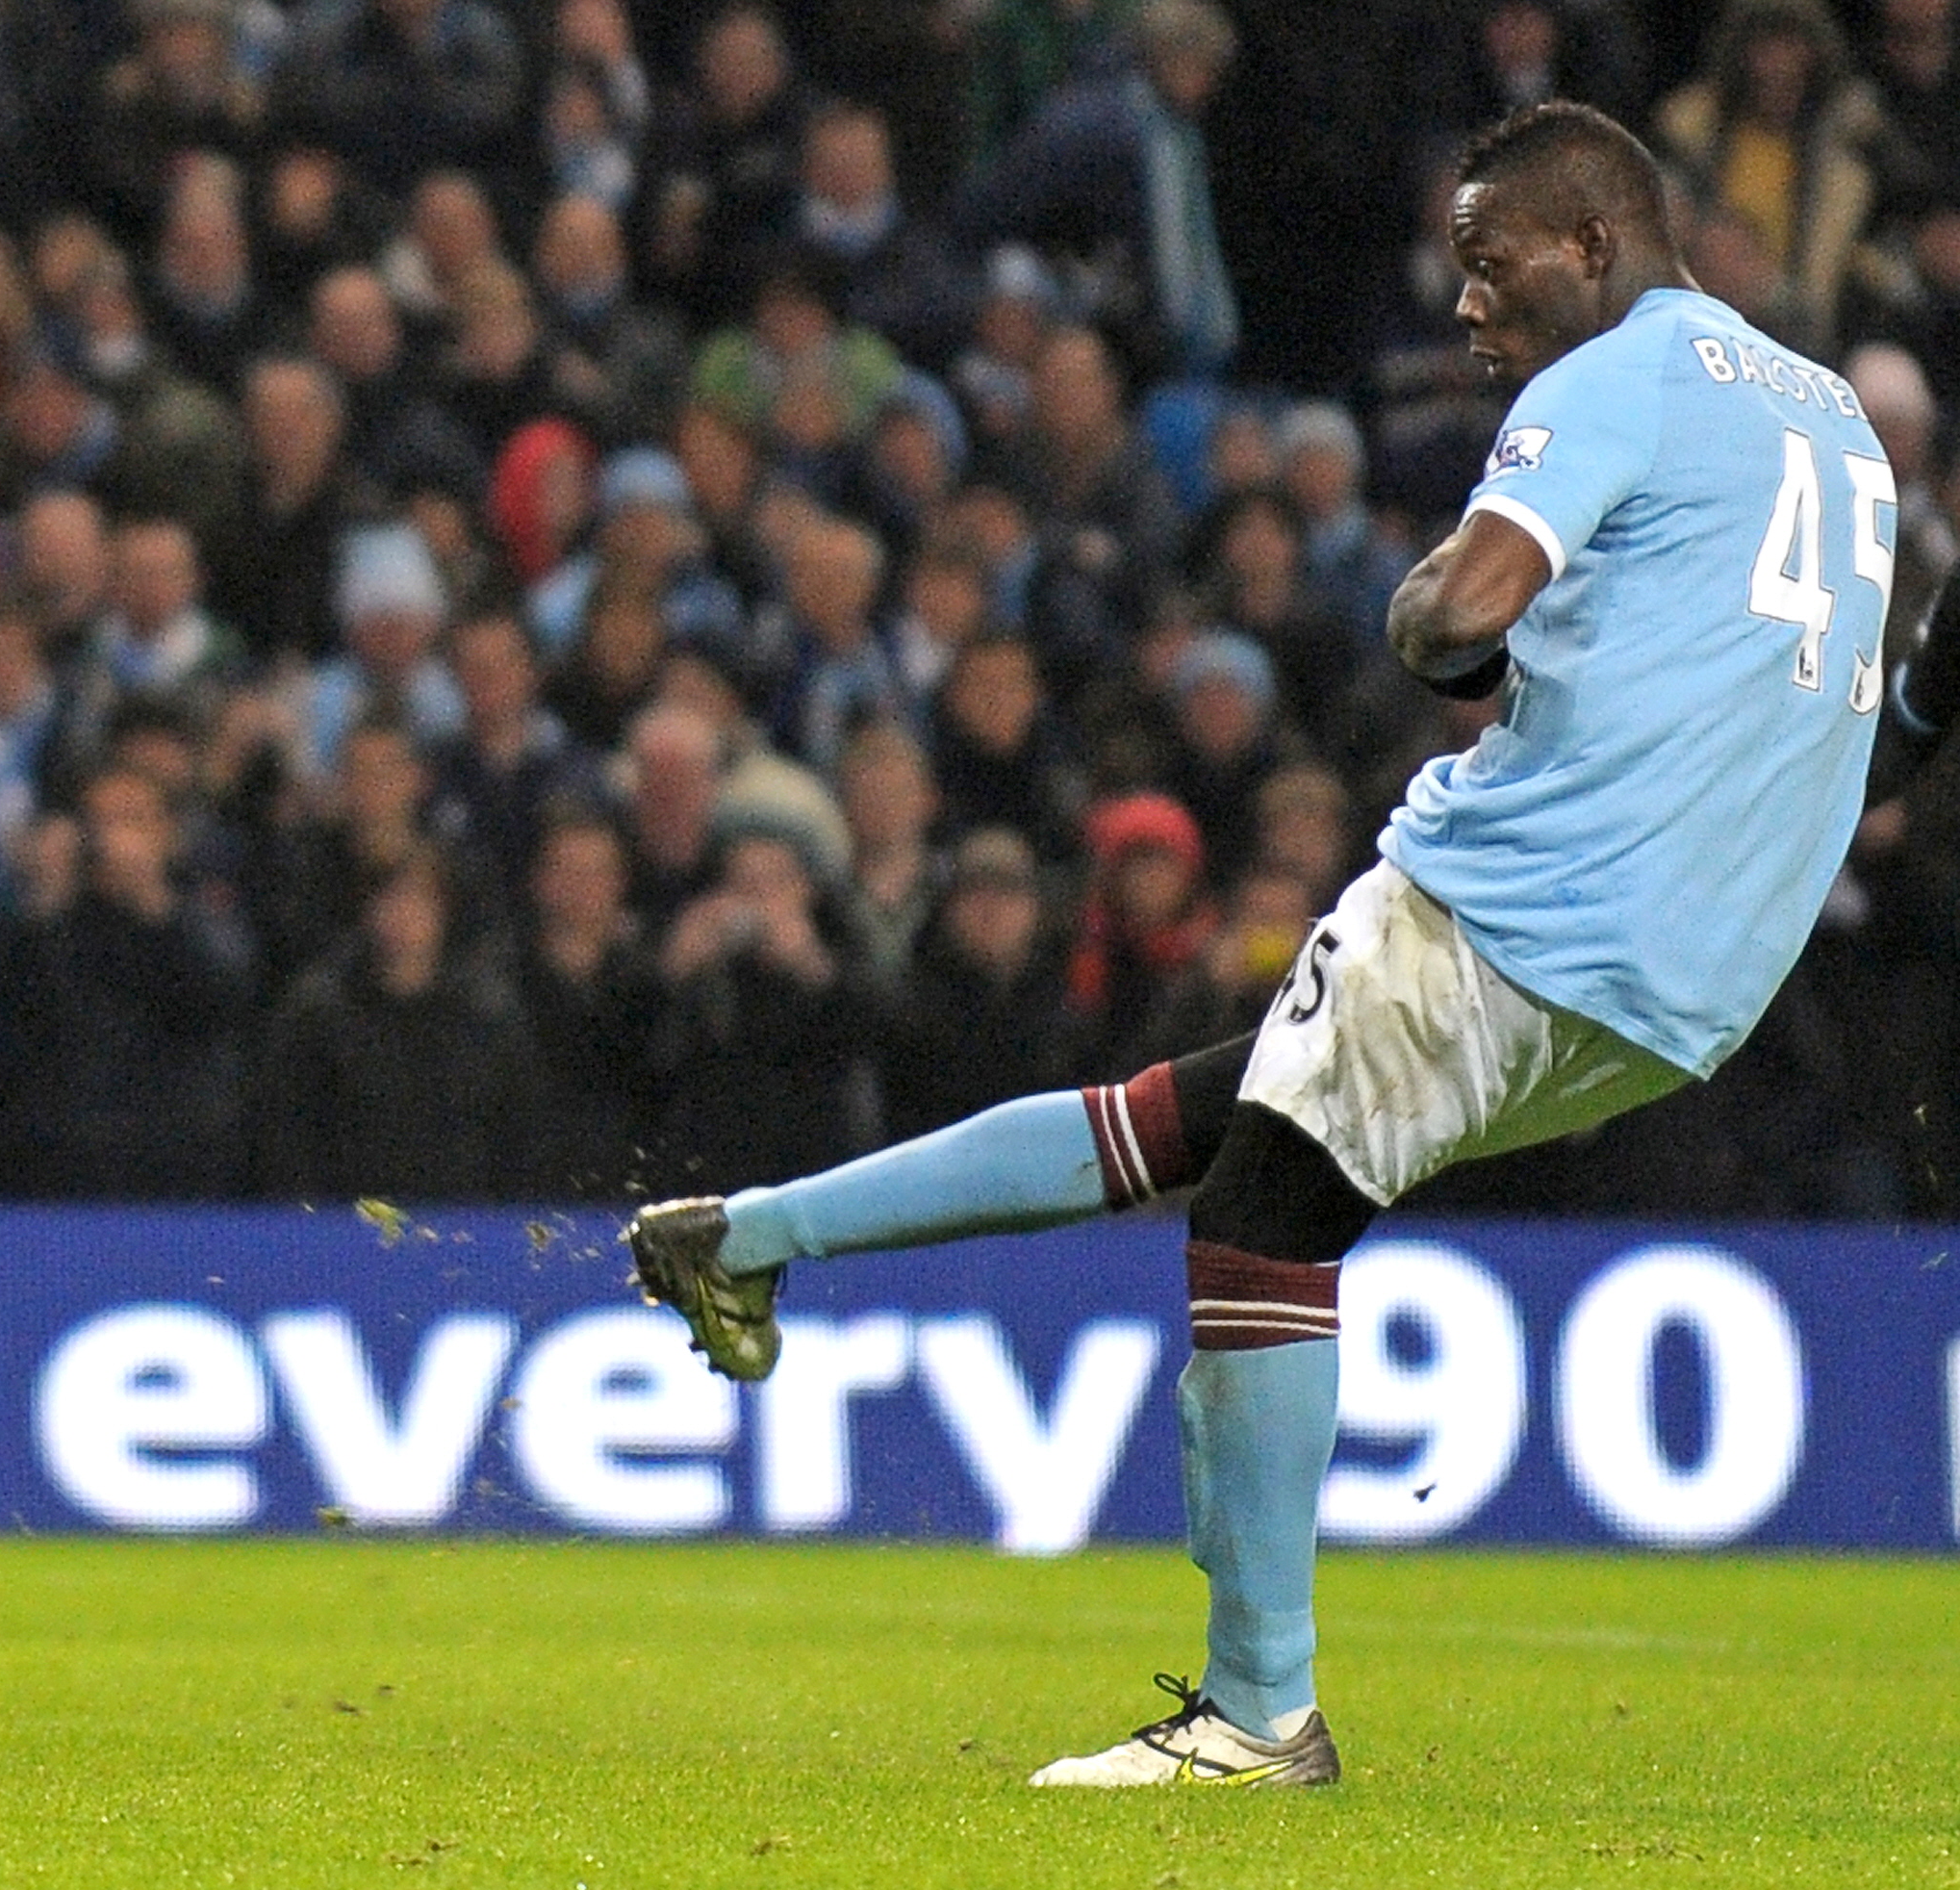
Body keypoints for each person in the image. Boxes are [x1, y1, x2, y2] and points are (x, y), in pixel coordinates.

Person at [624, 103, 1912, 1788]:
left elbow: (1460, 609)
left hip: (1527, 904)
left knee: (1261, 1217)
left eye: (1487, 257)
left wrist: (1427, 625)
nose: (1465, 301)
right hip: (1695, 986)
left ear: (1592, 243)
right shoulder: (1834, 422)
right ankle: (760, 1238)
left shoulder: (1611, 380)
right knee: (1191, 1124)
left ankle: (1255, 1715)